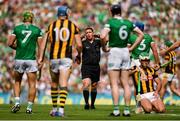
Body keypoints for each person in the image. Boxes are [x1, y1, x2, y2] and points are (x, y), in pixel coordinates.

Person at [100, 4, 144, 116]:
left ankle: (115, 110)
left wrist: (104, 47)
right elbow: (141, 34)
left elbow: (102, 36)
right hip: (125, 51)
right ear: (121, 12)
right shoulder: (128, 22)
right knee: (125, 83)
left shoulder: (110, 22)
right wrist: (132, 48)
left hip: (115, 51)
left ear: (111, 12)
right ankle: (127, 110)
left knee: (114, 83)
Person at [42, 6, 82, 117]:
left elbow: (43, 44)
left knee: (54, 83)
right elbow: (79, 44)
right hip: (66, 58)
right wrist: (79, 55)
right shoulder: (73, 26)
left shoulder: (51, 26)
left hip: (53, 58)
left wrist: (40, 58)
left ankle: (54, 109)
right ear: (67, 14)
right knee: (63, 84)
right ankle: (61, 110)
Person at [7, 11, 43, 114]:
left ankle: (17, 102)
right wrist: (41, 59)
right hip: (31, 60)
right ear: (32, 19)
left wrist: (18, 47)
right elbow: (41, 46)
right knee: (32, 84)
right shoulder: (37, 30)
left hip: (19, 59)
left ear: (24, 18)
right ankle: (29, 108)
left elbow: (9, 43)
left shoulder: (17, 28)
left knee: (17, 81)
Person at [128, 21, 160, 113]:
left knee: (136, 85)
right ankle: (150, 101)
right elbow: (154, 50)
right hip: (145, 61)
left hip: (135, 62)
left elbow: (128, 49)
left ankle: (139, 105)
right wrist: (158, 62)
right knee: (148, 81)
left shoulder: (132, 36)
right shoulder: (148, 37)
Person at [80, 27, 107, 110]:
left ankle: (92, 104)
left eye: (90, 32)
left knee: (94, 86)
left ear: (93, 33)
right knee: (86, 84)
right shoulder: (83, 43)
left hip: (96, 66)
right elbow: (76, 43)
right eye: (87, 32)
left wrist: (99, 36)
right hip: (86, 66)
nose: (88, 34)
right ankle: (86, 103)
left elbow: (106, 41)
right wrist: (81, 37)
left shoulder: (98, 42)